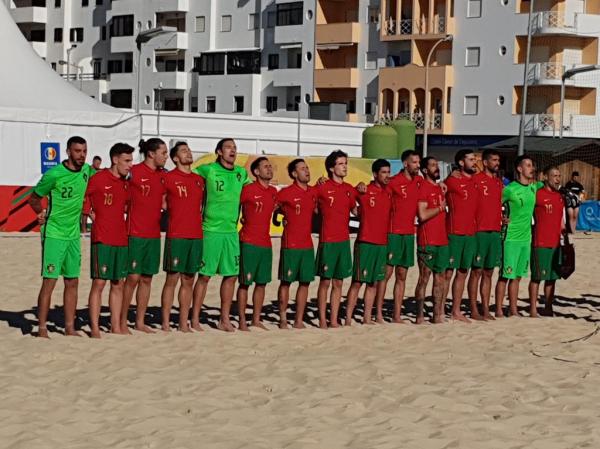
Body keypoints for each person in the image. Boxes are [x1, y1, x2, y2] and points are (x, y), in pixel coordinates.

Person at [28, 136, 92, 338]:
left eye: (84, 151)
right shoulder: (54, 174)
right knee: (50, 281)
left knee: (72, 281)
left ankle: (69, 328)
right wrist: (40, 212)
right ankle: (42, 328)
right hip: (54, 234)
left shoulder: (87, 170)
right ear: (68, 152)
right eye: (77, 151)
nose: (82, 155)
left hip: (73, 235)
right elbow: (34, 198)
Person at [193, 138, 250, 332]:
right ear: (219, 151)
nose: (232, 150)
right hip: (211, 231)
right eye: (228, 147)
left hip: (231, 232)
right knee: (204, 276)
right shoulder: (207, 170)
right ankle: (194, 318)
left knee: (231, 276)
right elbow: (185, 176)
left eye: (235, 147)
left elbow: (255, 189)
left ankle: (224, 319)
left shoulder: (241, 173)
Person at [85, 143, 133, 338]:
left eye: (131, 161)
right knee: (99, 283)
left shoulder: (126, 183)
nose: (130, 165)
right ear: (115, 159)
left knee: (118, 283)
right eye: (126, 161)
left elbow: (128, 205)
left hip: (121, 238)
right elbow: (83, 199)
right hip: (102, 238)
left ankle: (115, 326)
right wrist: (89, 214)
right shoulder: (98, 179)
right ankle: (95, 328)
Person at [120, 138, 168, 333]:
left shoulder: (163, 175)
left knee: (147, 278)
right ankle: (121, 320)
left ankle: (139, 321)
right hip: (135, 232)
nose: (166, 157)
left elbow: (164, 201)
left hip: (154, 235)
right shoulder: (134, 172)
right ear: (151, 154)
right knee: (132, 277)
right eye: (163, 153)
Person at [160, 142, 205, 332]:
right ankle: (165, 322)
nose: (188, 153)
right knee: (172, 278)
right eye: (184, 151)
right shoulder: (168, 178)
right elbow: (162, 203)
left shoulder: (199, 180)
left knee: (189, 279)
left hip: (196, 235)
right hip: (177, 234)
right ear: (175, 158)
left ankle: (183, 322)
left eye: (189, 150)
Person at [376, 150, 421, 324]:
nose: (417, 165)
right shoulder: (394, 182)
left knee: (402, 275)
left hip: (409, 235)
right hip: (393, 233)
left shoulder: (418, 181)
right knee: (386, 274)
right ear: (405, 164)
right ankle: (378, 313)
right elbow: (377, 190)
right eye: (414, 162)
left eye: (418, 162)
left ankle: (396, 315)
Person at [345, 159, 392, 325]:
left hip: (382, 243)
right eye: (384, 172)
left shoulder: (389, 192)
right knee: (357, 282)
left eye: (389, 172)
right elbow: (348, 195)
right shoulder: (364, 190)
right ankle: (348, 318)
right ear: (375, 174)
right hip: (365, 242)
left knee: (373, 283)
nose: (387, 175)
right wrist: (358, 186)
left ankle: (367, 318)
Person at [315, 150, 358, 329]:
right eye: (341, 163)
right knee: (325, 281)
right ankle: (322, 319)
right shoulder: (322, 187)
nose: (345, 167)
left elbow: (356, 211)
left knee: (339, 282)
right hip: (328, 241)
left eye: (345, 163)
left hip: (344, 241)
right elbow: (311, 206)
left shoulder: (349, 189)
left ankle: (333, 319)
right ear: (332, 168)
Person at [495, 155, 539, 317]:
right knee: (505, 275)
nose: (531, 168)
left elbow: (549, 182)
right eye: (528, 165)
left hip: (526, 239)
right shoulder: (510, 189)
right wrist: (501, 218)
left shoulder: (534, 187)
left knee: (518, 276)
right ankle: (498, 309)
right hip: (510, 238)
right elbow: (493, 205)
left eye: (532, 165)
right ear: (519, 169)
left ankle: (513, 309)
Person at [236, 157, 277, 331]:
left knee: (262, 283)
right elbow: (234, 207)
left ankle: (256, 319)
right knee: (245, 282)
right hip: (248, 241)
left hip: (266, 243)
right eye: (265, 167)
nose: (269, 169)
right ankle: (242, 320)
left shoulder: (274, 191)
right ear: (256, 172)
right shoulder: (247, 190)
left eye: (270, 166)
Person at [276, 159, 317, 329]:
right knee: (286, 282)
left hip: (307, 244)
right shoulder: (285, 193)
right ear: (294, 174)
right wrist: (281, 218)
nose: (307, 171)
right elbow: (272, 207)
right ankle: (283, 318)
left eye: (307, 168)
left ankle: (298, 320)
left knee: (305, 282)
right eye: (302, 169)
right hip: (290, 244)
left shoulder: (314, 192)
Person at [467, 149, 504, 321]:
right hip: (479, 231)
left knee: (489, 272)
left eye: (498, 160)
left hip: (495, 231)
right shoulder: (475, 180)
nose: (497, 163)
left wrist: (503, 217)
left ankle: (485, 308)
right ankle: (473, 309)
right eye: (494, 160)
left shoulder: (498, 182)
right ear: (485, 162)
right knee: (476, 271)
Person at [444, 149, 478, 323]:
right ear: (461, 163)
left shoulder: (475, 181)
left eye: (475, 159)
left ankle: (456, 311)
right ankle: (439, 309)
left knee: (463, 272)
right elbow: (436, 188)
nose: (474, 162)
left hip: (470, 233)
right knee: (448, 272)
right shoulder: (451, 180)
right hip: (454, 232)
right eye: (471, 159)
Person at [414, 156, 448, 324]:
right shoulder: (423, 187)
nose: (437, 168)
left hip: (442, 240)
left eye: (437, 165)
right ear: (425, 170)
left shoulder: (440, 187)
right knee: (424, 278)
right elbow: (422, 215)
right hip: (427, 240)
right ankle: (419, 315)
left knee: (440, 278)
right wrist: (440, 208)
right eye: (433, 165)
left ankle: (437, 314)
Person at [529, 166, 565, 317]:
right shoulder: (537, 194)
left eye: (559, 176)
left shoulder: (560, 196)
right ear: (545, 177)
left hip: (556, 243)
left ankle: (548, 308)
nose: (557, 179)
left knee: (552, 278)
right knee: (537, 277)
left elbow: (561, 221)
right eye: (554, 176)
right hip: (540, 243)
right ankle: (532, 309)